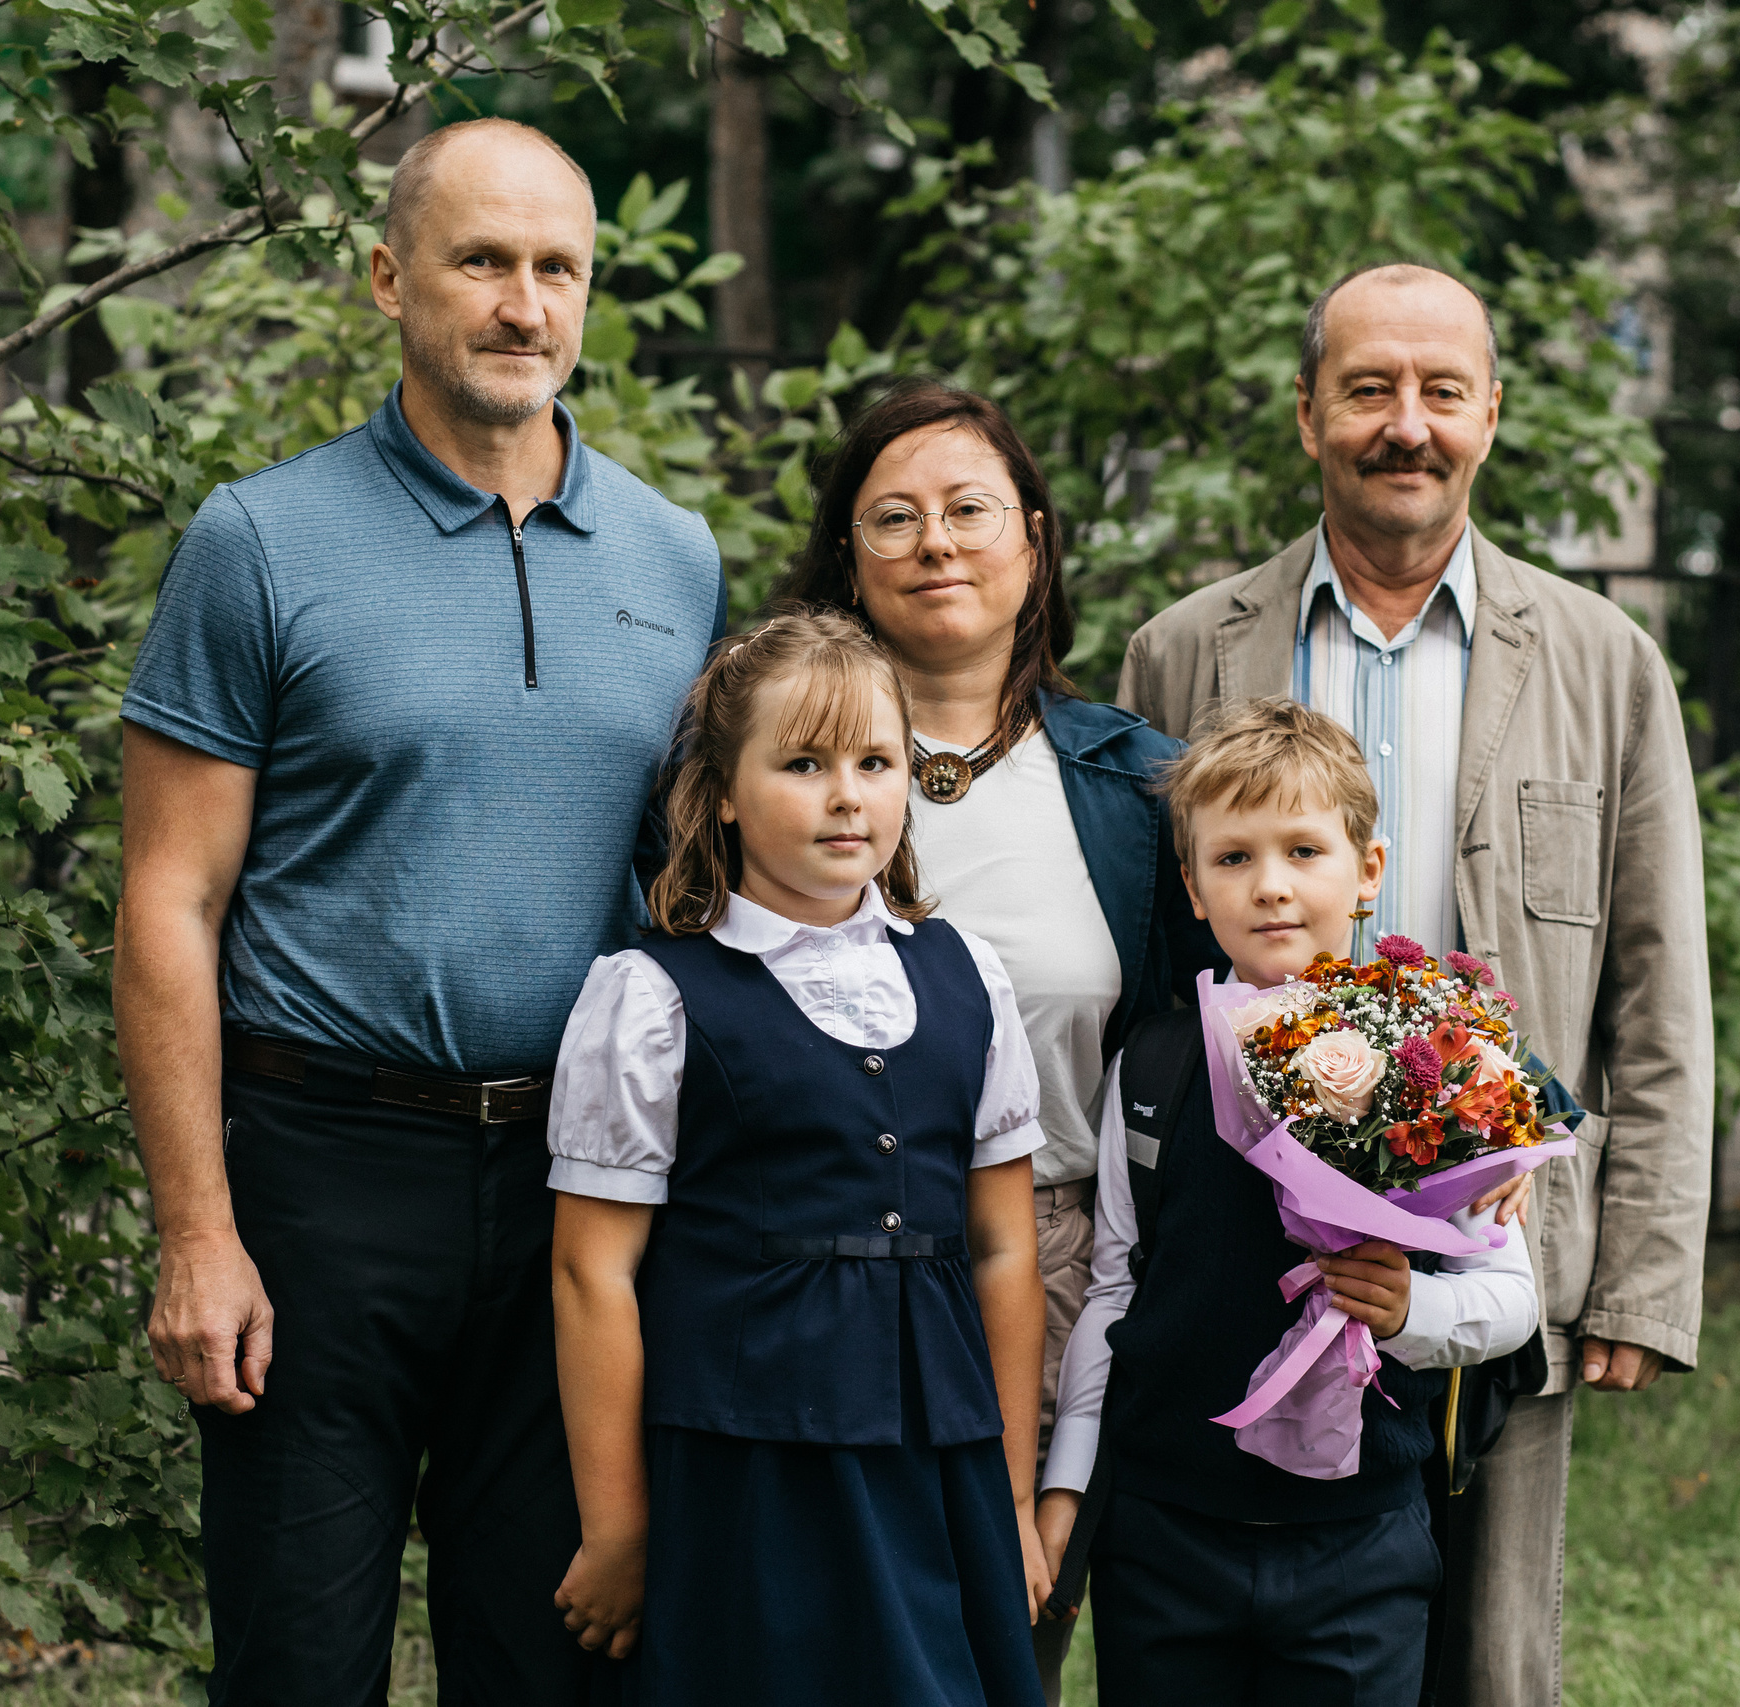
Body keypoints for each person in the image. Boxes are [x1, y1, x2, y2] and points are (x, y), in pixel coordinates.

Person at [114, 117, 723, 1705]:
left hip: (577, 1190)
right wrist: (198, 1233)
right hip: (322, 1178)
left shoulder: (676, 558)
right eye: (482, 262)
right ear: (390, 277)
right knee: (298, 1656)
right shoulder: (259, 541)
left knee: (555, 1654)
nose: (524, 305)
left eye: (557, 269)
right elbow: (170, 899)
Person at [1115, 262, 1714, 1706]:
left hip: (1496, 1241)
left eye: (1442, 391)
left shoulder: (1604, 661)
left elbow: (1660, 984)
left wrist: (1640, 1273)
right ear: (1308, 410)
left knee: (1490, 1665)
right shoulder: (1185, 650)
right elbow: (1152, 961)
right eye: (1371, 387)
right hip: (1249, 1262)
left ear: (1490, 416)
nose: (1408, 423)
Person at [774, 380, 1222, 1699]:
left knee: (999, 1635)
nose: (937, 541)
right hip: (808, 1250)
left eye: (971, 508)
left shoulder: (1138, 786)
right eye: (895, 515)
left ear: (1034, 538)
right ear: (845, 557)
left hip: (1060, 1258)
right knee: (810, 1633)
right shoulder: (758, 760)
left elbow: (1214, 1033)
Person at [545, 608, 1047, 1707]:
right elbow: (593, 1274)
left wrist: (1009, 1497)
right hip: (747, 1458)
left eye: (874, 762)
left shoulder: (968, 979)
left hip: (937, 1457)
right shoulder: (654, 995)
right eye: (803, 763)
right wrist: (618, 1526)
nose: (845, 795)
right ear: (723, 790)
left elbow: (1006, 1252)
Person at [1038, 698, 1539, 1703]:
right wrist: (1069, 1489)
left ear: (1366, 870)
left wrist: (1410, 1314)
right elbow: (1110, 1295)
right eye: (1232, 859)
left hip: (1358, 1544)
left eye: (1303, 850)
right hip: (1166, 1534)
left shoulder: (1442, 1057)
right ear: (1189, 883)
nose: (1269, 888)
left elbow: (1510, 1297)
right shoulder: (1156, 1061)